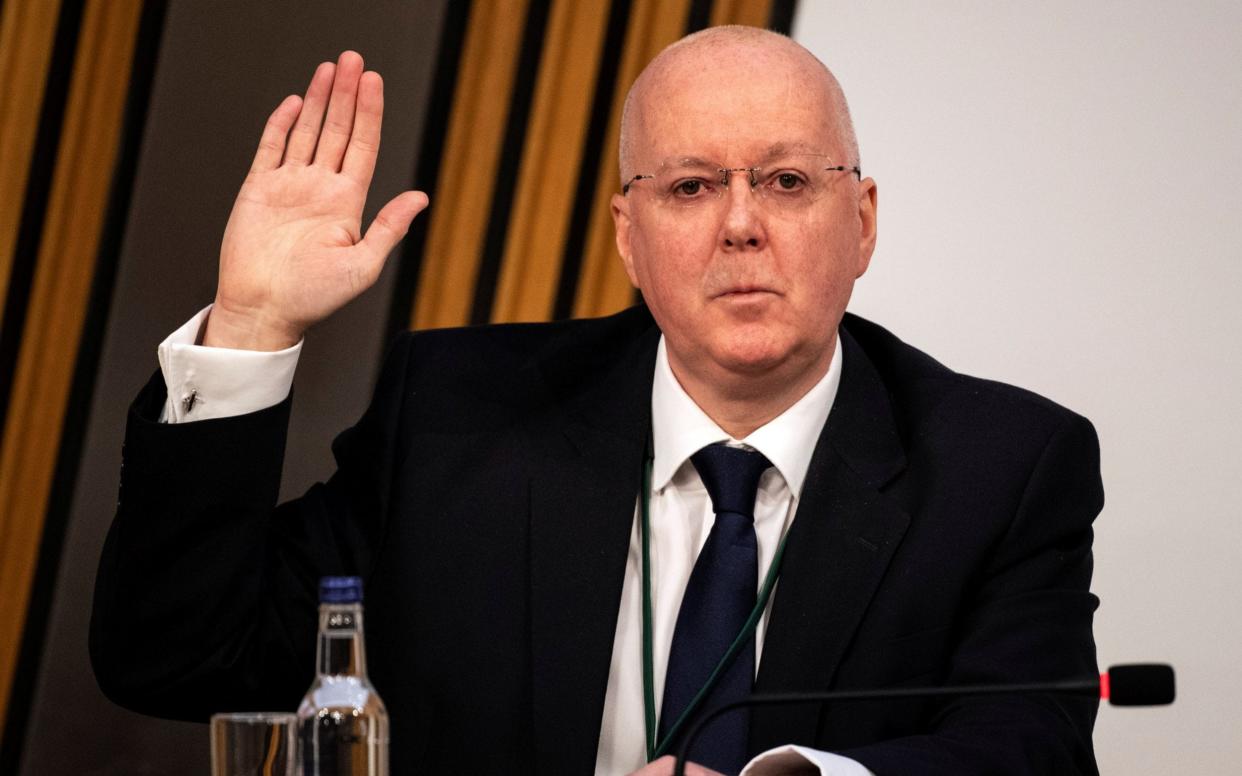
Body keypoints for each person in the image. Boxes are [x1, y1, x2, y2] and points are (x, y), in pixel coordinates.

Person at [90, 26, 1102, 776]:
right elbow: (179, 658)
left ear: (863, 220)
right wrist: (253, 322)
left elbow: (1034, 747)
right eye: (692, 187)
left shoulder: (1002, 466)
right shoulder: (458, 420)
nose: (743, 226)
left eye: (788, 180)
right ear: (627, 235)